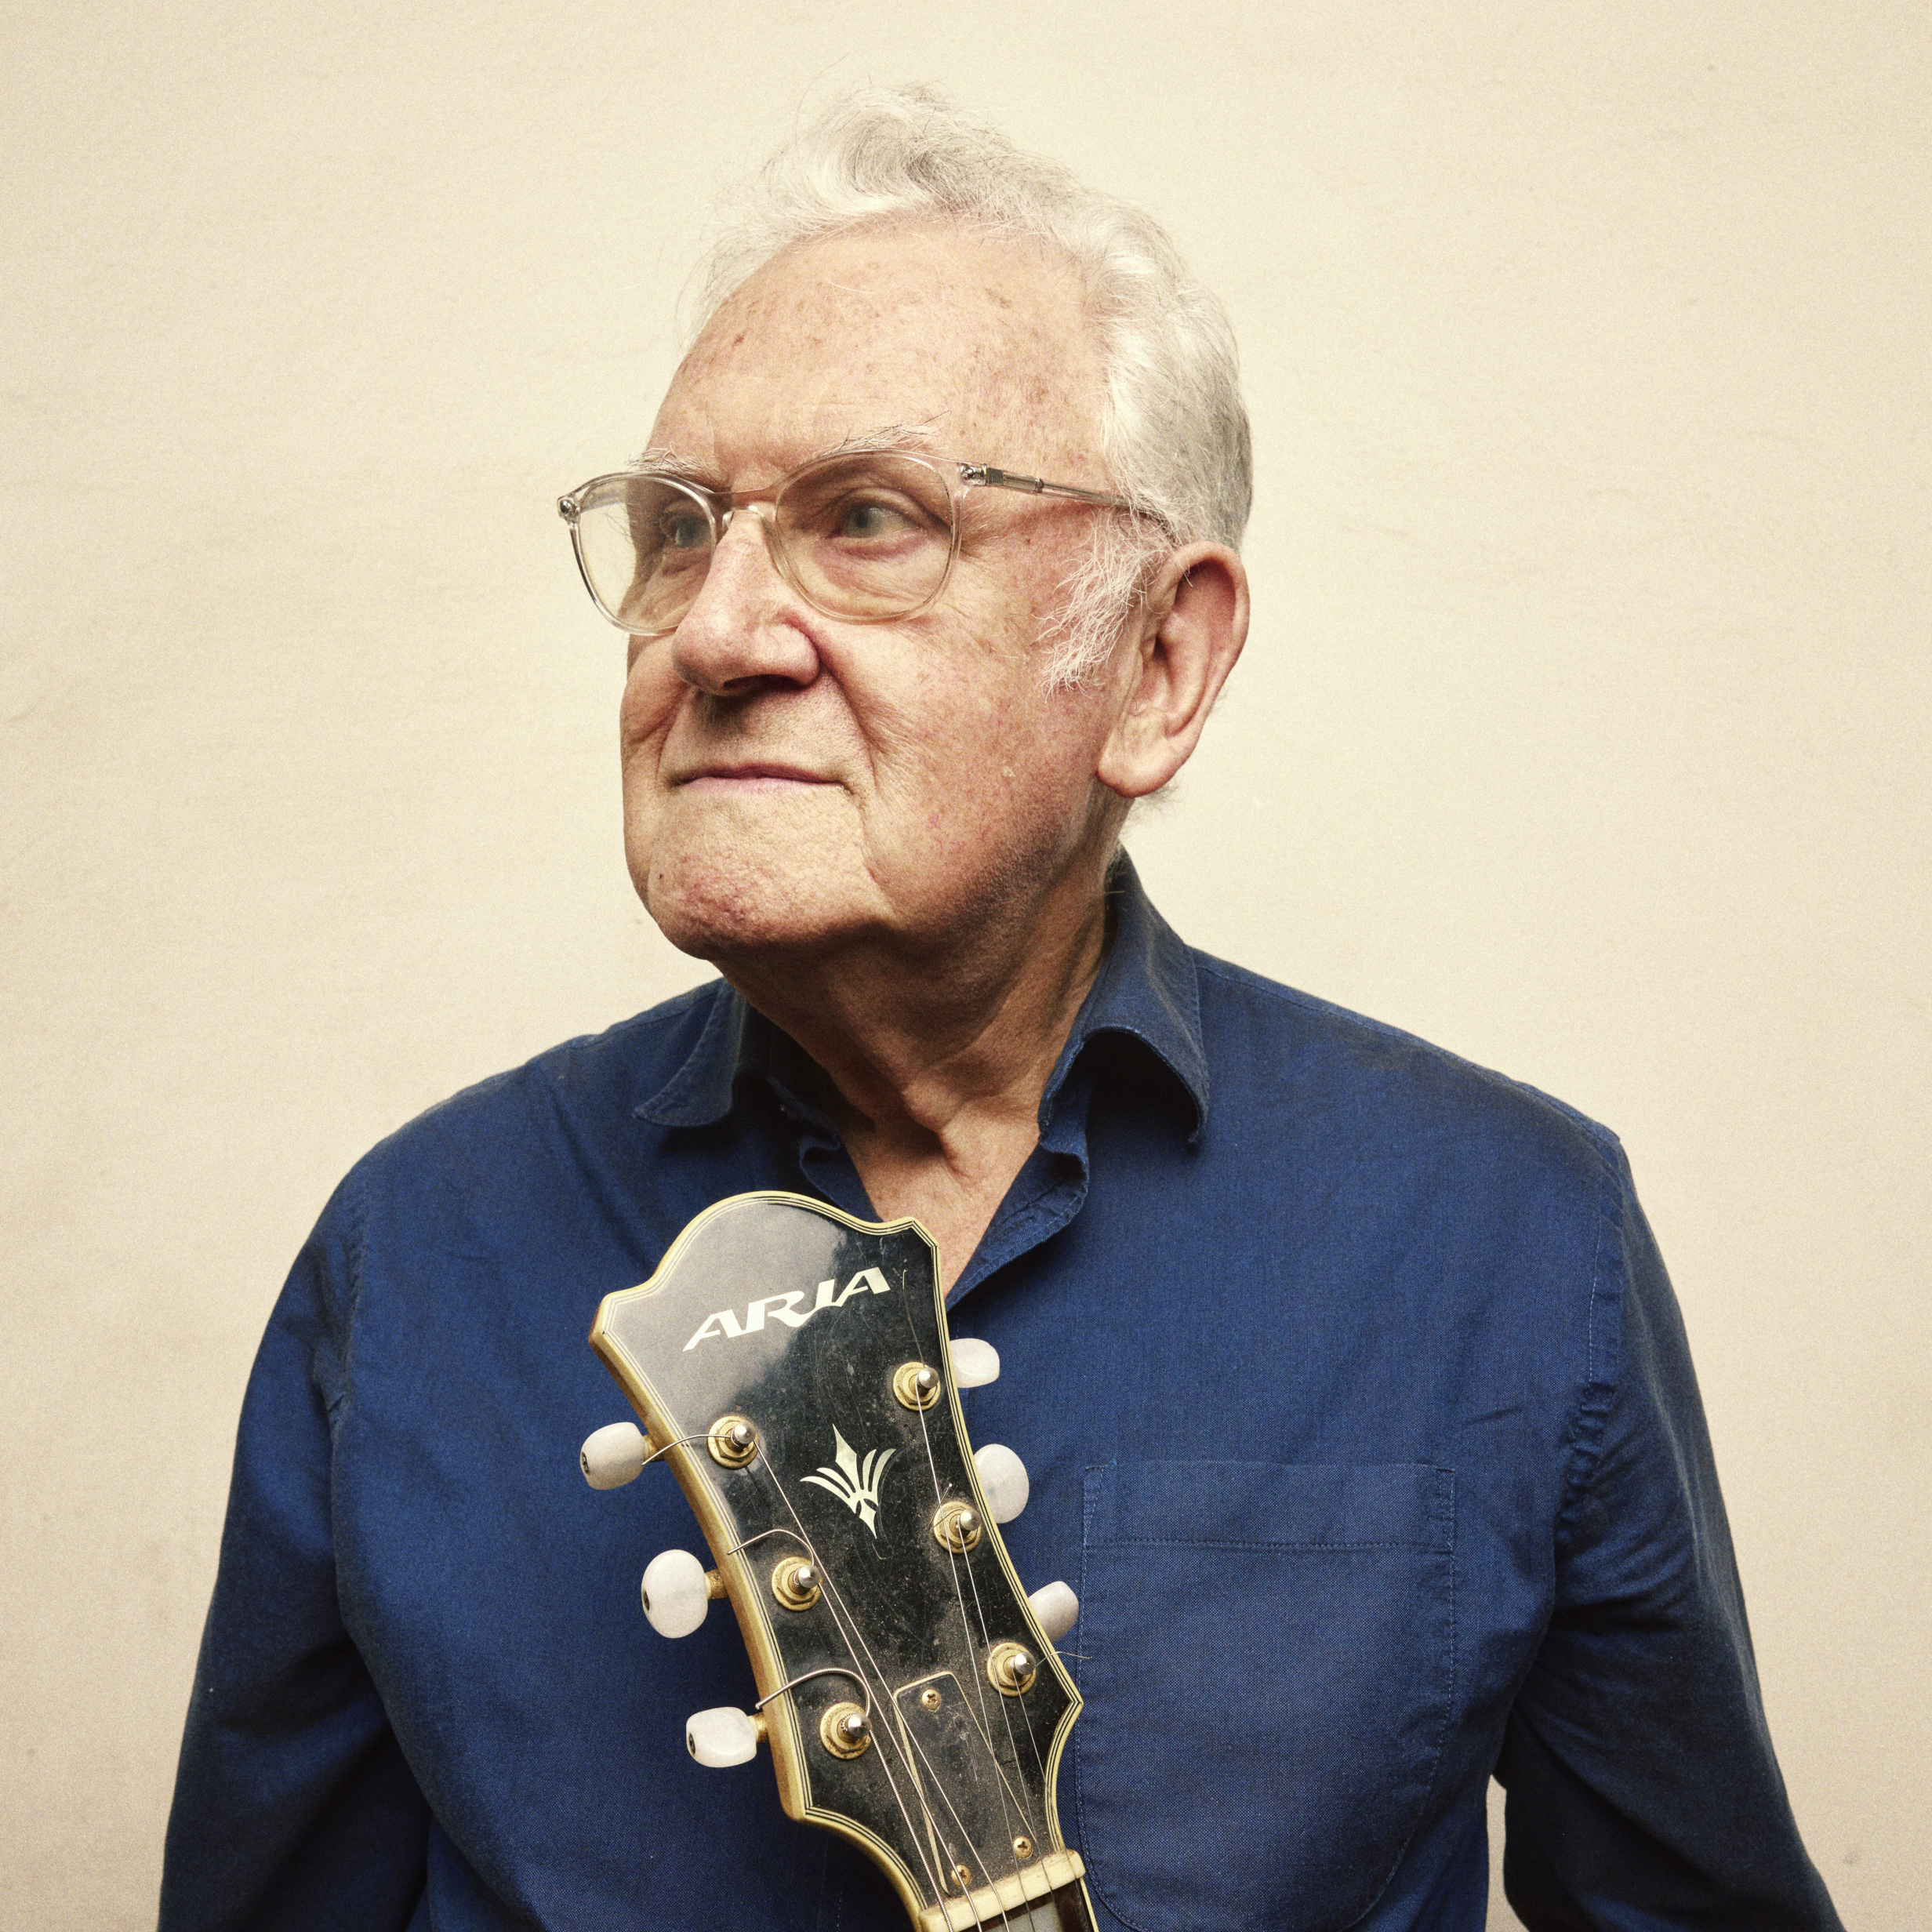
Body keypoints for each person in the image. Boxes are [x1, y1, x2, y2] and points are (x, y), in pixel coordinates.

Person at [160, 87, 1843, 1932]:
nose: (713, 633)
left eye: (866, 519)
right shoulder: (412, 1254)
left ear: (1156, 660)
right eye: (676, 529)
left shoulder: (1505, 1239)